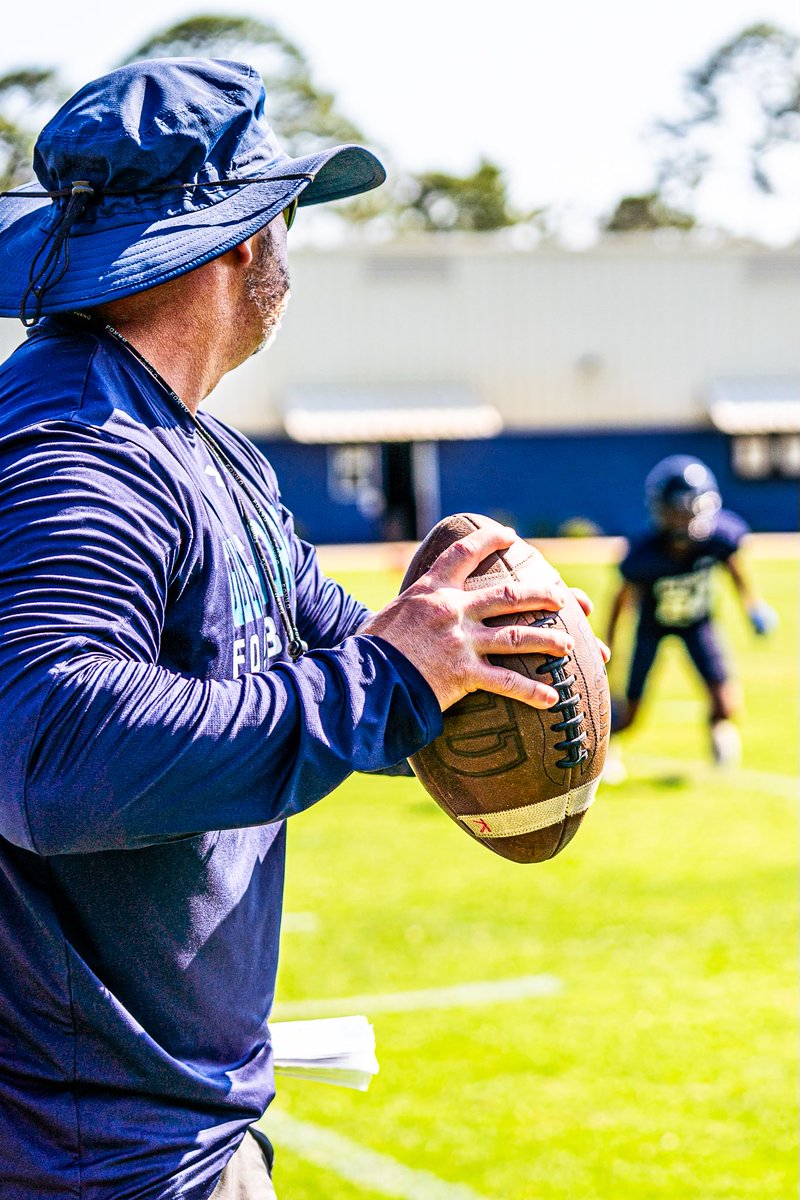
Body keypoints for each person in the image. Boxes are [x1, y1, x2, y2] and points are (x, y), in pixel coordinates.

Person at [0, 60, 602, 1199]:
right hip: (87, 1159)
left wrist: (481, 639)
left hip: (170, 1121)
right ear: (237, 243)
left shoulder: (197, 445)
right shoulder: (80, 458)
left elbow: (339, 647)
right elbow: (50, 751)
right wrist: (386, 683)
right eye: (282, 215)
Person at [604, 453, 777, 780]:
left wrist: (753, 606)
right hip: (652, 627)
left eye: (693, 508)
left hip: (698, 622)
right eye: (679, 510)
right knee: (631, 707)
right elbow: (622, 600)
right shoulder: (645, 555)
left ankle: (718, 738)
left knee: (725, 701)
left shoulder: (719, 537)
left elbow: (734, 566)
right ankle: (607, 747)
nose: (688, 518)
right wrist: (610, 642)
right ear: (661, 511)